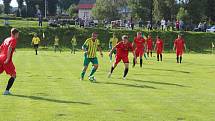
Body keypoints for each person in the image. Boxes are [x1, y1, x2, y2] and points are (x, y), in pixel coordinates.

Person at [0, 28, 19, 95]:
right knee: (14, 75)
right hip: (6, 59)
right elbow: (10, 48)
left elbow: (1, 47)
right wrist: (8, 59)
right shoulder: (14, 39)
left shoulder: (7, 39)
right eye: (18, 34)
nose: (18, 36)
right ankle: (6, 91)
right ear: (16, 34)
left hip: (1, 58)